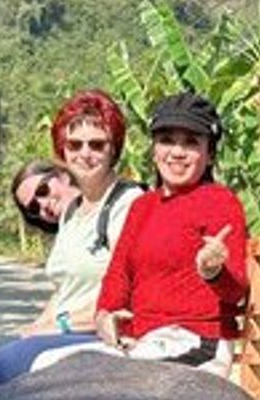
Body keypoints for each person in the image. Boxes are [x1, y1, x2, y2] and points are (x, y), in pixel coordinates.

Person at [0, 90, 145, 400]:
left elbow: (129, 292)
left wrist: (60, 326)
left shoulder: (128, 204)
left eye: (96, 144)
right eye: (74, 145)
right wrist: (37, 326)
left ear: (114, 148)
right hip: (67, 329)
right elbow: (64, 289)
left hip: (99, 332)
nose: (85, 154)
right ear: (62, 152)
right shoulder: (73, 212)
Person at [93, 91, 249, 376]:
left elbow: (235, 292)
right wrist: (104, 314)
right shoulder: (142, 206)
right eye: (166, 140)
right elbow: (119, 272)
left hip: (198, 339)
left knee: (112, 380)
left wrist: (213, 270)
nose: (177, 152)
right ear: (154, 151)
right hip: (140, 341)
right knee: (50, 369)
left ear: (210, 155)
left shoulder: (220, 202)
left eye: (191, 142)